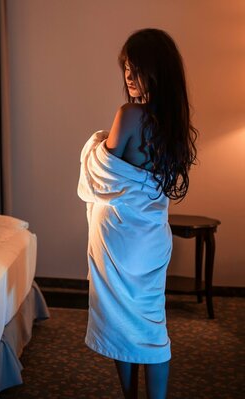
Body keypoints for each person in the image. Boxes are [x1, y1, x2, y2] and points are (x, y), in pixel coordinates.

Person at [77, 28, 198, 399]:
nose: (129, 77)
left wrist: (95, 141)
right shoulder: (174, 126)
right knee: (149, 323)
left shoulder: (129, 114)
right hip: (152, 240)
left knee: (122, 324)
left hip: (121, 241)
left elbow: (102, 172)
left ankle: (132, 396)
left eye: (136, 68)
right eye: (126, 69)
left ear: (156, 71)